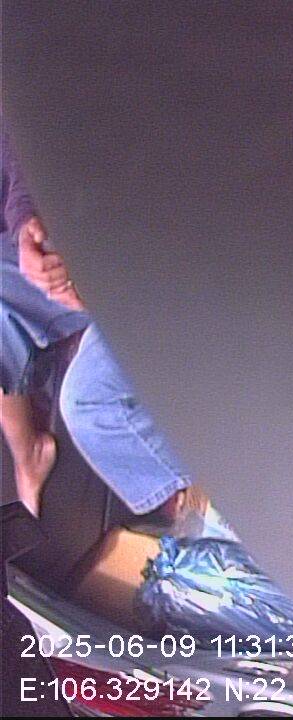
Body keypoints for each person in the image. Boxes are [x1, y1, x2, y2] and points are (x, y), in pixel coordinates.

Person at [1, 114, 193, 519]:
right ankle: (29, 453)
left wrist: (101, 281)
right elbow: (22, 156)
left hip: (171, 257)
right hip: (96, 247)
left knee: (93, 405)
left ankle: (204, 516)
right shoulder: (33, 91)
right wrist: (27, 229)